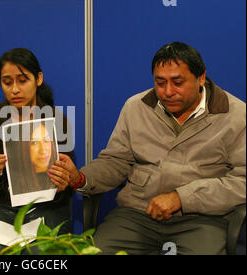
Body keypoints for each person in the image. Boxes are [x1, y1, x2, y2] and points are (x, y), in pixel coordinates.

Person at [56, 41, 246, 255]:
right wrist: (80, 178)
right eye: (160, 82)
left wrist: (182, 198)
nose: (168, 92)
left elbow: (242, 181)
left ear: (201, 78)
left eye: (178, 82)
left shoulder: (236, 116)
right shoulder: (136, 107)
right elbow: (115, 162)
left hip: (203, 219)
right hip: (138, 214)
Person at [0, 48, 75, 249]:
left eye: (22, 80)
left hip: (45, 208)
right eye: (7, 82)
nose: (15, 90)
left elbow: (66, 183)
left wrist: (63, 183)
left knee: (42, 252)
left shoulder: (57, 121)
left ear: (38, 79)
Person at [6, 121, 57, 195]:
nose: (42, 150)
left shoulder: (56, 178)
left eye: (46, 140)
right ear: (23, 148)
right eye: (34, 143)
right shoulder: (16, 183)